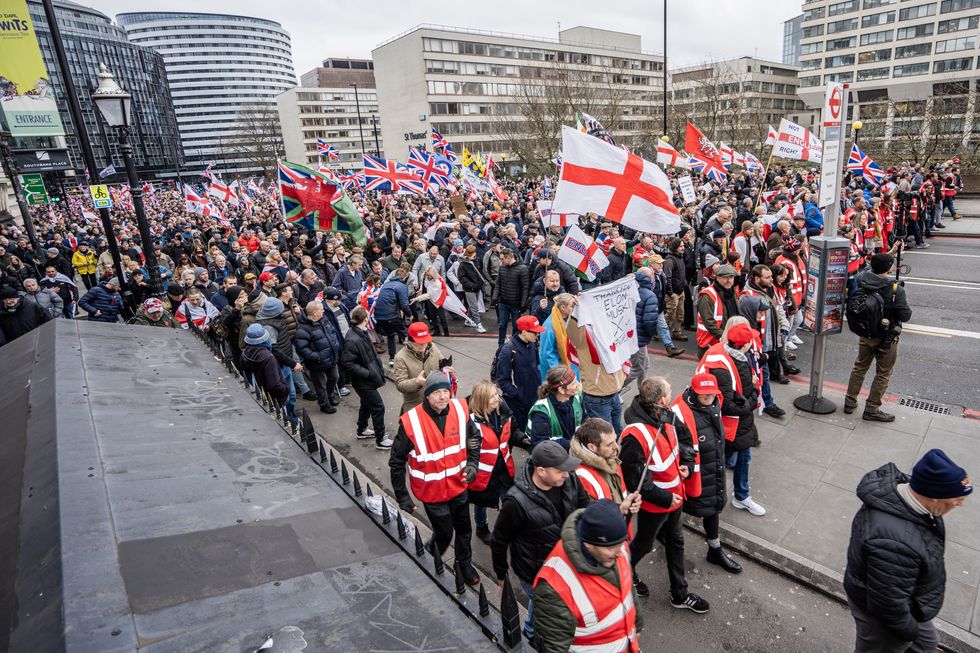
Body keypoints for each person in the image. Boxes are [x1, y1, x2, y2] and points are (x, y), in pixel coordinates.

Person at [845, 449, 971, 653]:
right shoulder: (893, 542)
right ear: (935, 498)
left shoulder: (914, 499)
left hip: (907, 603)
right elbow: (888, 605)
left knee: (926, 644)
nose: (961, 503)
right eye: (956, 498)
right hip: (884, 618)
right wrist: (909, 631)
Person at [621, 376, 708, 612]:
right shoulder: (633, 437)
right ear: (661, 399)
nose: (671, 395)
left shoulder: (664, 413)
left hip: (674, 497)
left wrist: (687, 464)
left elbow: (685, 438)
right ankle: (621, 573)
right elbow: (636, 482)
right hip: (658, 504)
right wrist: (667, 498)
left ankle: (679, 594)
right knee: (644, 543)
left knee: (676, 541)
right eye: (669, 392)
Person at [491, 440, 591, 643]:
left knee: (539, 606)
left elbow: (585, 506)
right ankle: (532, 635)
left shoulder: (568, 479)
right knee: (543, 605)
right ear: (541, 471)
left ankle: (530, 630)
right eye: (560, 470)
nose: (566, 473)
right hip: (536, 573)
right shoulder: (516, 502)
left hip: (566, 564)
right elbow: (499, 540)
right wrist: (501, 575)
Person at [389, 371, 482, 584]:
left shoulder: (460, 410)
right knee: (444, 533)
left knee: (465, 530)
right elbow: (396, 462)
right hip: (432, 492)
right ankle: (431, 554)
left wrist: (472, 464)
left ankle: (464, 564)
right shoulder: (411, 423)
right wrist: (402, 496)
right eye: (436, 392)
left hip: (459, 486)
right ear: (427, 396)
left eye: (445, 391)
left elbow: (474, 438)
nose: (442, 396)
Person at [532, 499, 641, 653]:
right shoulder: (554, 587)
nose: (619, 553)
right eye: (611, 549)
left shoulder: (615, 545)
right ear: (588, 544)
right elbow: (553, 647)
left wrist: (637, 624)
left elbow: (627, 587)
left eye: (621, 544)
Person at [674, 373, 742, 573]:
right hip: (691, 476)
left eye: (712, 395)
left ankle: (715, 550)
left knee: (712, 510)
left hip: (713, 470)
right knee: (673, 510)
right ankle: (664, 538)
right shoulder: (679, 413)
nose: (709, 399)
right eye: (704, 396)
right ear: (694, 393)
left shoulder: (715, 403)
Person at [697, 319, 766, 517]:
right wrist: (753, 393)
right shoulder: (728, 367)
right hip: (732, 425)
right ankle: (739, 497)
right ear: (744, 344)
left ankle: (737, 496)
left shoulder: (725, 354)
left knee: (733, 458)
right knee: (738, 458)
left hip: (734, 424)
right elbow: (730, 405)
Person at [844, 252, 912, 423]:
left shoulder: (863, 280)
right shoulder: (895, 289)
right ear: (888, 268)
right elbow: (905, 316)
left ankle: (849, 402)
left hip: (865, 334)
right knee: (883, 373)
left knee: (859, 367)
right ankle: (872, 409)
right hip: (886, 337)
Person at [468, 379, 520, 545]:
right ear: (482, 401)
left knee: (508, 501)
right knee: (480, 503)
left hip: (504, 469)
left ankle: (507, 528)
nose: (497, 399)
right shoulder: (471, 423)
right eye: (492, 397)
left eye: (496, 395)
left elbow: (514, 432)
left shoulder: (505, 414)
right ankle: (481, 528)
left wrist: (522, 439)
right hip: (483, 475)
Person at [738, 264, 786, 418]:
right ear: (757, 278)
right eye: (768, 277)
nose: (771, 280)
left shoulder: (767, 290)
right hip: (758, 345)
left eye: (771, 276)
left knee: (763, 375)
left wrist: (783, 325)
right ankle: (766, 403)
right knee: (761, 375)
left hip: (766, 343)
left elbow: (776, 310)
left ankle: (764, 402)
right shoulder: (748, 297)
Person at [340, 306, 390, 447]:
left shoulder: (360, 332)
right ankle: (381, 439)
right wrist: (367, 373)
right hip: (363, 381)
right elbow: (347, 363)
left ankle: (361, 430)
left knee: (366, 404)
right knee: (378, 407)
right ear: (365, 319)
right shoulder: (353, 338)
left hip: (367, 378)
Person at [571, 417, 641, 516]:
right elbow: (592, 517)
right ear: (592, 447)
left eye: (615, 440)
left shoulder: (610, 458)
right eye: (609, 445)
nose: (617, 447)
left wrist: (629, 503)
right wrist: (620, 509)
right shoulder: (582, 477)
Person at [495, 314, 544, 435]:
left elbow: (536, 367)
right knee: (522, 432)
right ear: (524, 332)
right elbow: (502, 381)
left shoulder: (532, 345)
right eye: (534, 332)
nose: (537, 335)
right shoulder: (507, 351)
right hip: (519, 402)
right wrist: (518, 394)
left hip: (534, 395)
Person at [294, 300, 343, 414]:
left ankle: (330, 395)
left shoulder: (324, 319)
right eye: (321, 309)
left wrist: (335, 346)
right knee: (320, 385)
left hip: (331, 357)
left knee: (334, 377)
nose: (323, 311)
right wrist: (317, 356)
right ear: (314, 313)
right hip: (317, 362)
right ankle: (324, 404)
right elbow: (302, 348)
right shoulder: (303, 328)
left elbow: (332, 332)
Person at [392, 321, 445, 414]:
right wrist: (416, 382)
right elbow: (400, 385)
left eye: (426, 341)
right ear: (411, 341)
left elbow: (441, 361)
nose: (424, 345)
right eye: (420, 343)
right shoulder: (400, 358)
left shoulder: (432, 346)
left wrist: (446, 367)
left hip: (436, 402)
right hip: (416, 405)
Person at [529, 365, 585, 449]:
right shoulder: (541, 411)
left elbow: (585, 421)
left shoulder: (577, 397)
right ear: (561, 390)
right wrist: (573, 445)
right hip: (553, 456)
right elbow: (540, 443)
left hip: (573, 450)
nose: (578, 384)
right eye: (573, 383)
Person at [240, 323, 290, 407]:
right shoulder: (268, 357)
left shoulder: (245, 353)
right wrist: (286, 388)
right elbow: (274, 384)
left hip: (259, 396)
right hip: (274, 400)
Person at [696, 263, 739, 359]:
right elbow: (709, 323)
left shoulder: (731, 293)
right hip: (709, 344)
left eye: (731, 277)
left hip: (726, 342)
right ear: (717, 278)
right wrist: (726, 337)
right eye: (725, 278)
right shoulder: (707, 296)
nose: (729, 281)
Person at [373, 267, 411, 365]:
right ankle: (414, 355)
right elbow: (404, 304)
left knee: (390, 335)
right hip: (391, 315)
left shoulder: (386, 285)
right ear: (404, 277)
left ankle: (392, 358)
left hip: (379, 316)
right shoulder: (401, 286)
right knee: (406, 335)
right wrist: (409, 315)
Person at [537, 293, 579, 380]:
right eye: (572, 306)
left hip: (570, 367)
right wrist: (559, 374)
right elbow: (547, 353)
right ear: (563, 307)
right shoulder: (549, 325)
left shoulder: (569, 319)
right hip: (558, 372)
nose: (575, 309)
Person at [493, 247, 530, 346]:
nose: (501, 261)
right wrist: (495, 297)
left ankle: (514, 345)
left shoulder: (522, 269)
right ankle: (500, 345)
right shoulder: (502, 268)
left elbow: (525, 288)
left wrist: (523, 304)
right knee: (502, 325)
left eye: (502, 259)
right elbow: (498, 284)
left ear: (509, 258)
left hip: (516, 304)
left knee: (515, 326)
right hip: (503, 303)